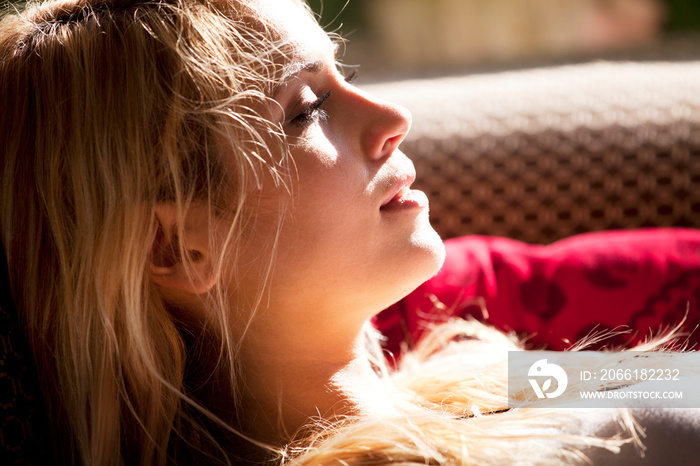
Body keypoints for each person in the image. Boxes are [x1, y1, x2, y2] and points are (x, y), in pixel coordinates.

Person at [1, 0, 699, 464]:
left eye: (350, 74)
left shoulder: (475, 379)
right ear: (176, 248)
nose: (394, 116)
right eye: (307, 110)